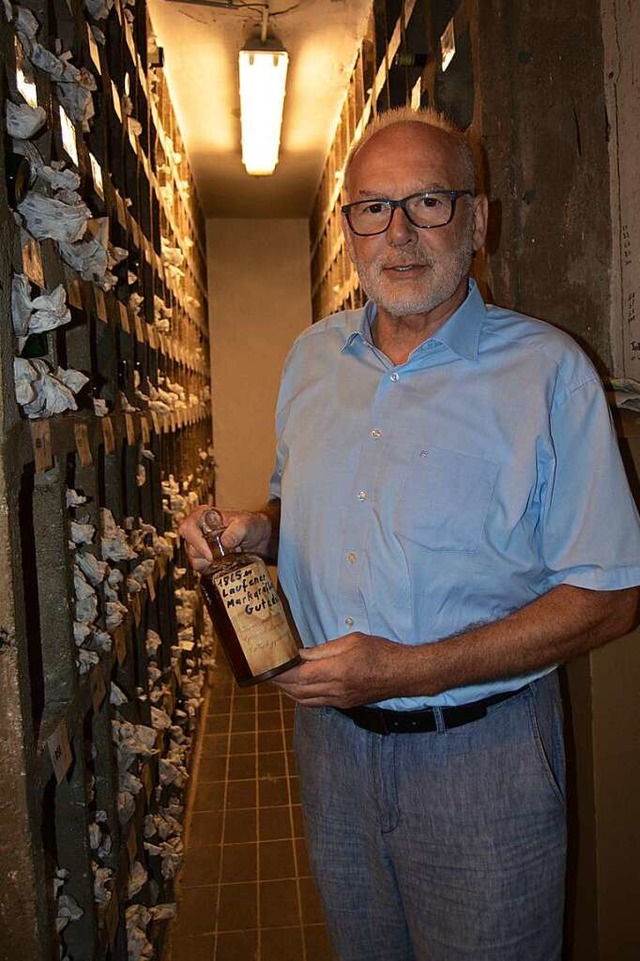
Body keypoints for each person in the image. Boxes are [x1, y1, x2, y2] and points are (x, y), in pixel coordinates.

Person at [180, 106, 640, 961]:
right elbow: (300, 510)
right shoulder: (312, 360)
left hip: (482, 761)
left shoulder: (549, 374)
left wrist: (403, 670)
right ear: (347, 226)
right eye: (372, 207)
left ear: (478, 220)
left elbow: (611, 596)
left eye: (429, 201)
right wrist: (253, 531)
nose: (399, 234)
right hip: (330, 754)